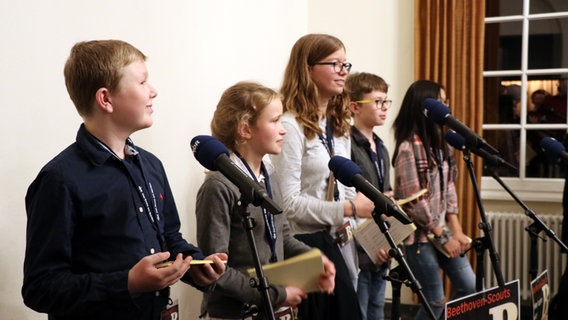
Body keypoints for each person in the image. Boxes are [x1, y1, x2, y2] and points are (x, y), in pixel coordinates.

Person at [22, 40, 227, 320]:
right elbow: (40, 287)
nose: (153, 90)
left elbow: (168, 238)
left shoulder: (151, 165)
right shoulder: (59, 179)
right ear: (106, 99)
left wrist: (195, 265)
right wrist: (127, 283)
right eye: (142, 82)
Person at [195, 81, 336, 319]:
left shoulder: (270, 175)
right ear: (245, 130)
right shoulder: (218, 185)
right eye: (274, 121)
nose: (283, 130)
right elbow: (215, 272)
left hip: (271, 308)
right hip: (235, 313)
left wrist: (313, 258)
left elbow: (283, 237)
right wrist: (277, 294)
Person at [270, 33, 375, 320]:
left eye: (346, 64)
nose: (344, 72)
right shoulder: (290, 127)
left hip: (342, 242)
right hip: (307, 245)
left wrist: (358, 221)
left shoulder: (337, 123)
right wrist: (349, 209)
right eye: (334, 64)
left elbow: (345, 187)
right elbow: (288, 204)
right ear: (307, 69)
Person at [392, 80, 476, 320]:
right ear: (424, 108)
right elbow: (414, 202)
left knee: (469, 287)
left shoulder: (443, 144)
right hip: (420, 237)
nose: (446, 107)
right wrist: (443, 235)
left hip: (442, 232)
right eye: (440, 101)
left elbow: (449, 187)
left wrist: (457, 231)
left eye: (446, 101)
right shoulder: (408, 147)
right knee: (436, 301)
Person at [345, 72, 392, 320]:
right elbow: (350, 198)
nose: (384, 108)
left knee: (377, 309)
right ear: (354, 107)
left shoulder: (382, 146)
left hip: (382, 242)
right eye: (377, 102)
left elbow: (386, 194)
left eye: (386, 102)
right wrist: (371, 242)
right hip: (361, 245)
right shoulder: (347, 145)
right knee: (360, 310)